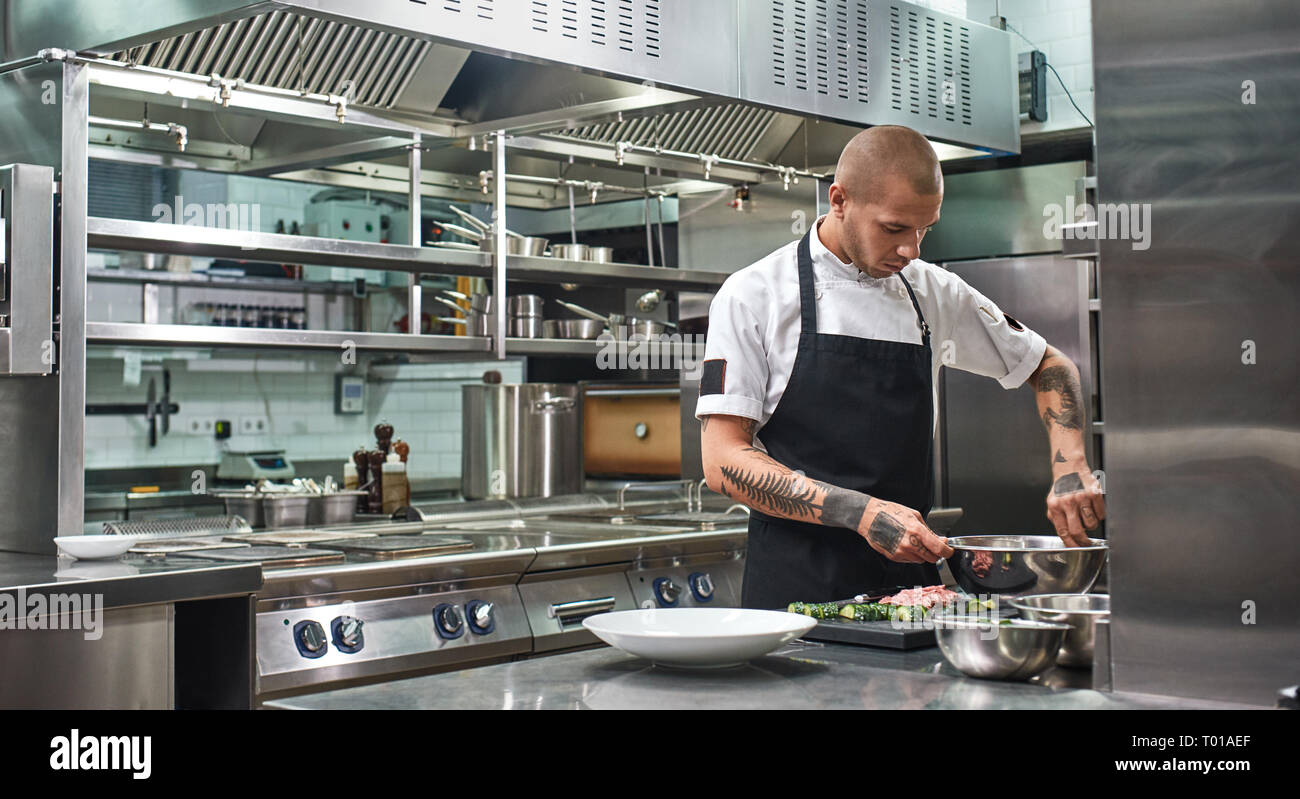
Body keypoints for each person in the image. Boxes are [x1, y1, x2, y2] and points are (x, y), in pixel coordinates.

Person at [697, 125, 1105, 610]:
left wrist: (1070, 466)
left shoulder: (932, 291)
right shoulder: (754, 295)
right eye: (894, 229)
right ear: (839, 199)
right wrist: (860, 512)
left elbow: (1050, 366)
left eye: (924, 229)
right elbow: (723, 460)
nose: (912, 249)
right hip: (794, 589)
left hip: (908, 590)